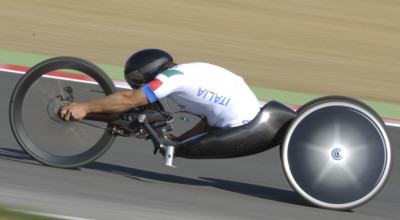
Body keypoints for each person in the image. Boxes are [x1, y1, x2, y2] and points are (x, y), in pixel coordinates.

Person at [60, 49, 260, 141]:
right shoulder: (185, 71)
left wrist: (84, 107)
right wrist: (180, 141)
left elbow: (130, 101)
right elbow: (210, 119)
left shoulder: (171, 79)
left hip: (240, 128)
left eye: (141, 82)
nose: (142, 87)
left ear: (149, 72)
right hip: (244, 116)